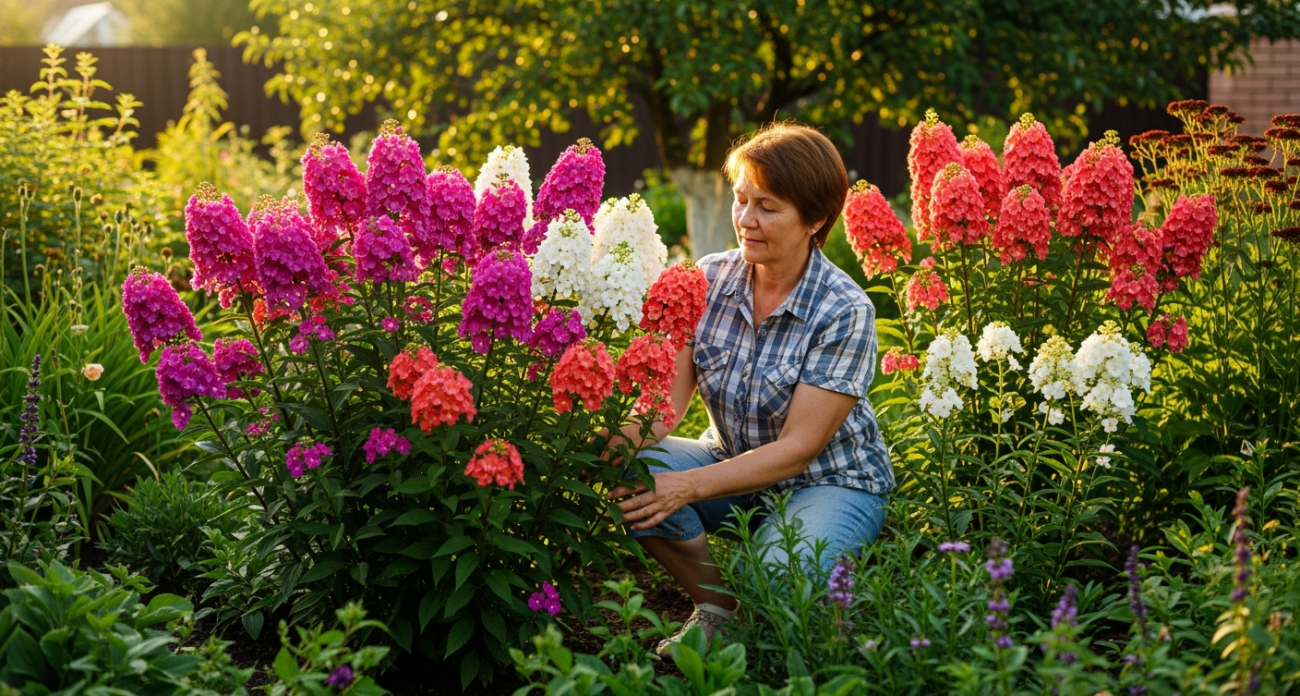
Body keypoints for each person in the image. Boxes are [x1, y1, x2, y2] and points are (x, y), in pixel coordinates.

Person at [604, 122, 893, 654]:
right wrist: (605, 449)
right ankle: (721, 611)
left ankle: (829, 639)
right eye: (741, 200)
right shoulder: (706, 280)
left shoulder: (844, 309)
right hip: (734, 463)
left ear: (815, 219)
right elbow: (662, 411)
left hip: (828, 481)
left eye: (767, 206)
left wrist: (688, 487)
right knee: (629, 471)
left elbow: (797, 449)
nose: (746, 220)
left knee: (780, 575)